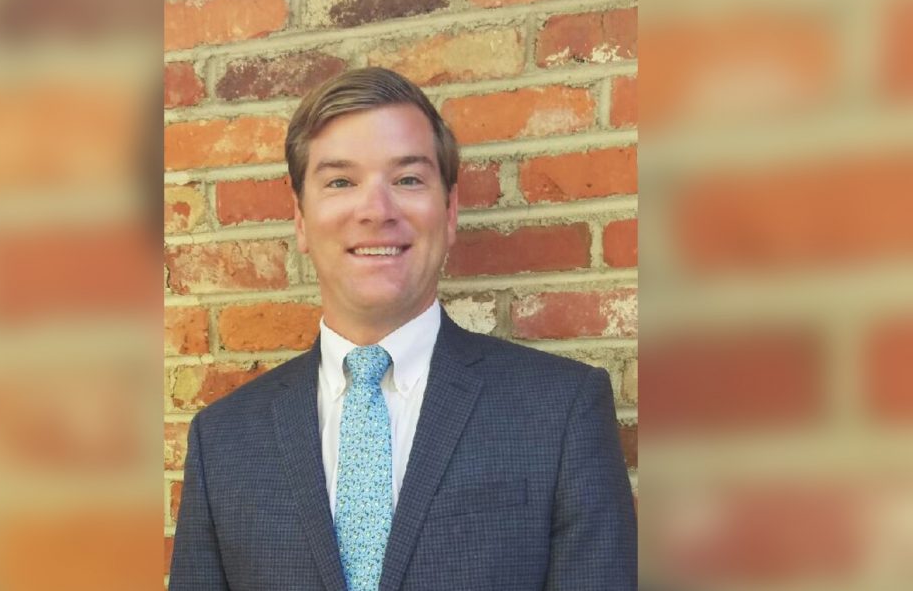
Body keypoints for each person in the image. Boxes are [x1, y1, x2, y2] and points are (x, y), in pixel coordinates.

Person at [169, 67, 637, 590]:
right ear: (300, 219)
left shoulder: (561, 411)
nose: (376, 210)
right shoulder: (223, 441)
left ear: (450, 210)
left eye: (408, 179)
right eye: (341, 181)